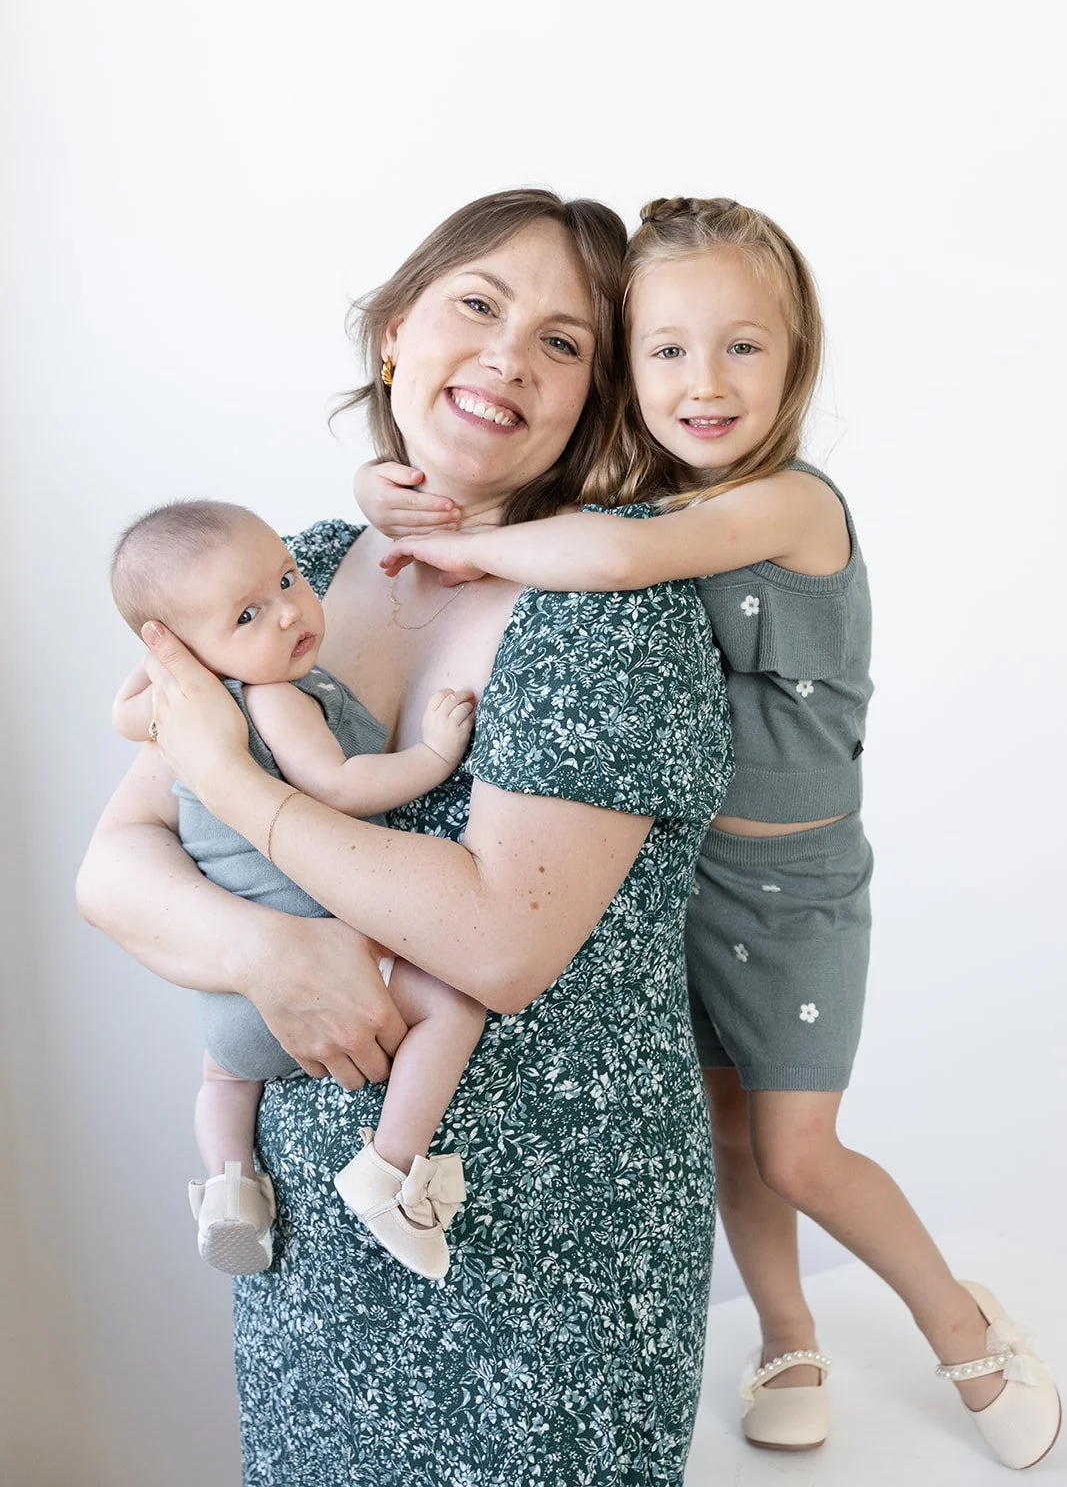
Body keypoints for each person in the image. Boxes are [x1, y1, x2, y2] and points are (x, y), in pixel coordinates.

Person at [367, 195, 1061, 1471]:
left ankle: (964, 1328)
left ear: (796, 361)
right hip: (683, 879)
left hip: (794, 887)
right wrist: (390, 488)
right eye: (667, 349)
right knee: (723, 1125)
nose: (704, 380)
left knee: (798, 1146)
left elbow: (633, 555)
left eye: (743, 345)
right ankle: (784, 1332)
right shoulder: (621, 505)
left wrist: (476, 550)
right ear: (626, 372)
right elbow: (532, 516)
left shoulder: (781, 506)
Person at [77, 189, 736, 1487]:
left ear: (595, 403)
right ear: (393, 335)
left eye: (565, 344)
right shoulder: (288, 570)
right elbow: (114, 867)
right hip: (307, 1238)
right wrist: (270, 957)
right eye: (478, 306)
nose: (508, 355)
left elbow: (494, 941)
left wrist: (235, 780)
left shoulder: (612, 613)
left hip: (537, 1255)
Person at [109, 500, 480, 1280]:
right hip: (322, 960)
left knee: (223, 1078)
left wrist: (166, 659)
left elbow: (121, 713)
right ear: (187, 645)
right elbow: (339, 784)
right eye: (247, 614)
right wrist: (434, 754)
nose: (285, 615)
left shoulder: (172, 707)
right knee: (453, 1004)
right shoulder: (274, 695)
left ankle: (230, 1187)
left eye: (285, 578)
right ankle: (388, 1169)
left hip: (233, 1005)